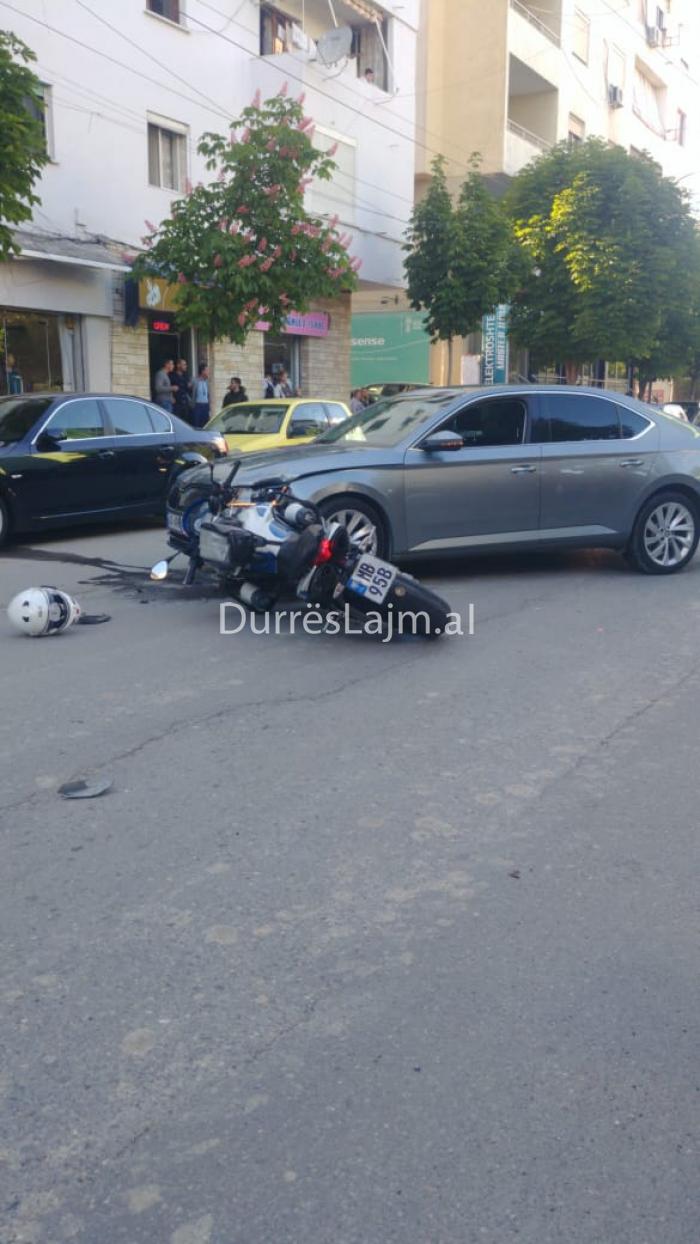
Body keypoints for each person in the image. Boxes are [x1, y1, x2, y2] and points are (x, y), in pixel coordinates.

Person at [191, 363, 210, 427]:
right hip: (198, 405)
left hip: (206, 406)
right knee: (197, 424)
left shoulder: (207, 381)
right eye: (207, 370)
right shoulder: (195, 380)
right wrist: (191, 403)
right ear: (202, 371)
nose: (208, 372)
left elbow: (208, 395)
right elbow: (188, 391)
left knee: (205, 425)